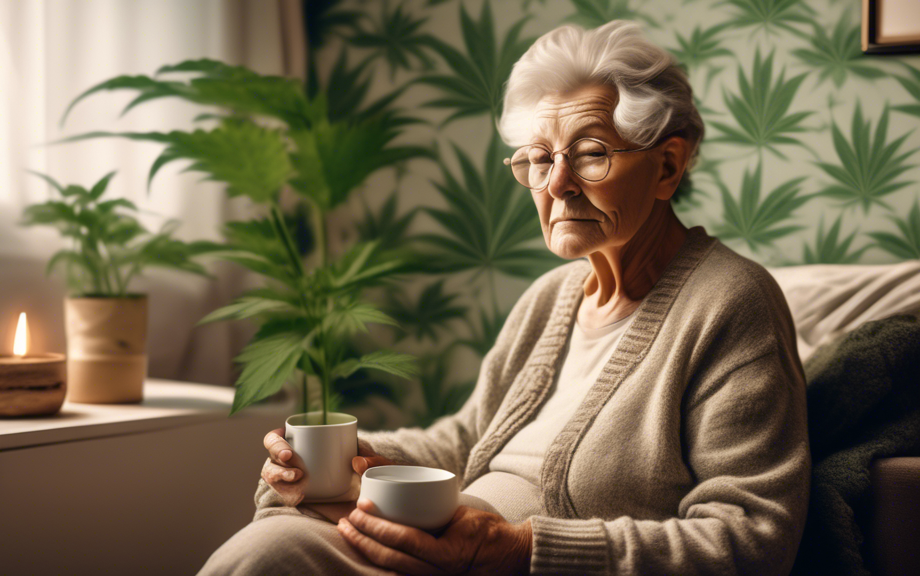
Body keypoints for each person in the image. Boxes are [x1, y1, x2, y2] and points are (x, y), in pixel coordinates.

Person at [200, 20, 810, 575]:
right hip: (438, 545)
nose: (557, 184)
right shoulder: (551, 299)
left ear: (668, 166)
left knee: (272, 557)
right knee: (277, 541)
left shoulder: (731, 303)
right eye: (538, 159)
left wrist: (521, 551)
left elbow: (752, 538)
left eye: (591, 154)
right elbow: (467, 439)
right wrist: (358, 462)